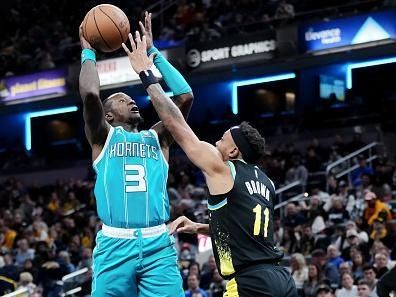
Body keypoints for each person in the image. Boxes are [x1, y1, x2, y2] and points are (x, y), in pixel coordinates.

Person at [122, 30, 297, 297]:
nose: (218, 140)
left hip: (250, 283)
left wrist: (146, 73)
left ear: (234, 150)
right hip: (280, 279)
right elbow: (245, 231)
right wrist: (200, 227)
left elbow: (175, 123)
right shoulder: (266, 181)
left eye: (224, 138)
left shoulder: (223, 167)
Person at [79, 12, 193, 297]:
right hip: (115, 244)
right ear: (108, 115)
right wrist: (88, 52)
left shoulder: (160, 137)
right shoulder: (102, 137)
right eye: (121, 100)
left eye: (130, 98)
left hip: (158, 242)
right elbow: (91, 95)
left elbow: (185, 95)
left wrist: (153, 54)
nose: (130, 100)